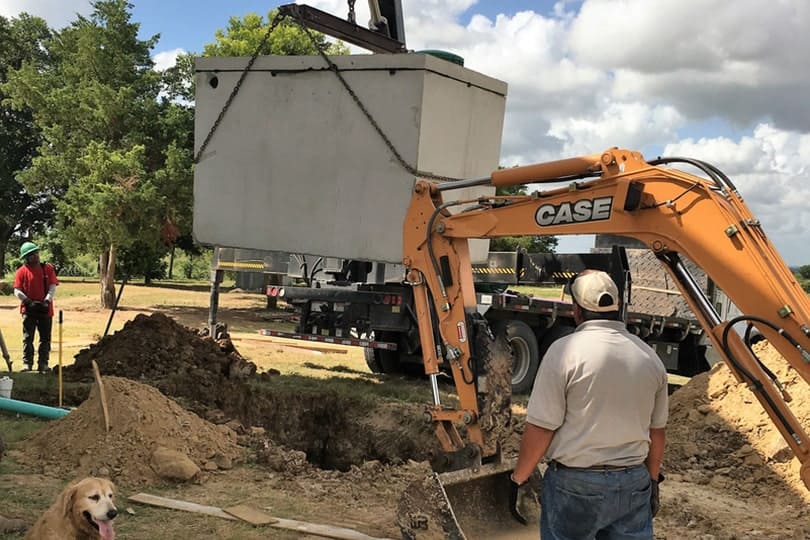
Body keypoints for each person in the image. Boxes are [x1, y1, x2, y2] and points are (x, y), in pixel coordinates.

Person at [510, 269, 668, 540]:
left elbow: (542, 428)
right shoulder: (648, 357)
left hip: (576, 484)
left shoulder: (564, 352)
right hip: (632, 481)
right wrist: (652, 480)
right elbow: (657, 433)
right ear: (617, 308)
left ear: (576, 310)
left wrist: (518, 478)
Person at [13, 242, 59, 373]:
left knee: (45, 339)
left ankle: (43, 364)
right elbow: (17, 290)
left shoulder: (47, 268)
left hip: (45, 310)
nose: (35, 256)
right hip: (29, 310)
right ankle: (27, 364)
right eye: (32, 255)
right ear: (26, 258)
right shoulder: (21, 271)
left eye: (36, 253)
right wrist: (27, 301)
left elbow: (52, 286)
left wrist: (46, 300)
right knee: (28, 338)